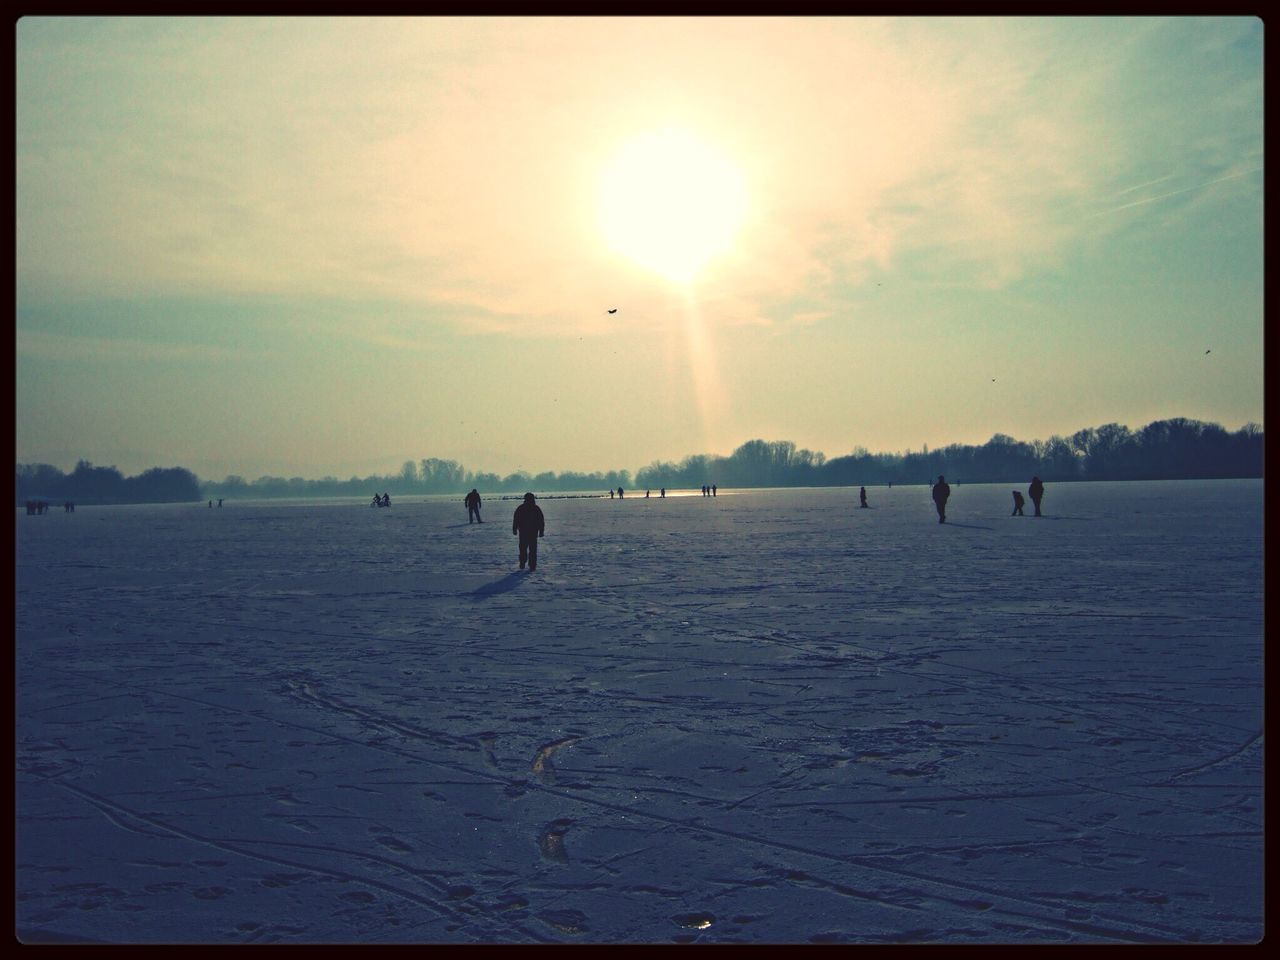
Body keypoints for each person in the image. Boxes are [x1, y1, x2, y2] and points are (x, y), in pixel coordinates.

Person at [512, 492, 545, 571]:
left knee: (523, 549)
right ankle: (532, 565)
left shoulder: (521, 508)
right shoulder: (536, 508)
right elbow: (541, 521)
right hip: (532, 532)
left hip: (524, 532)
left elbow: (516, 520)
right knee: (532, 549)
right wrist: (541, 531)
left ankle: (523, 563)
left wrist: (514, 529)